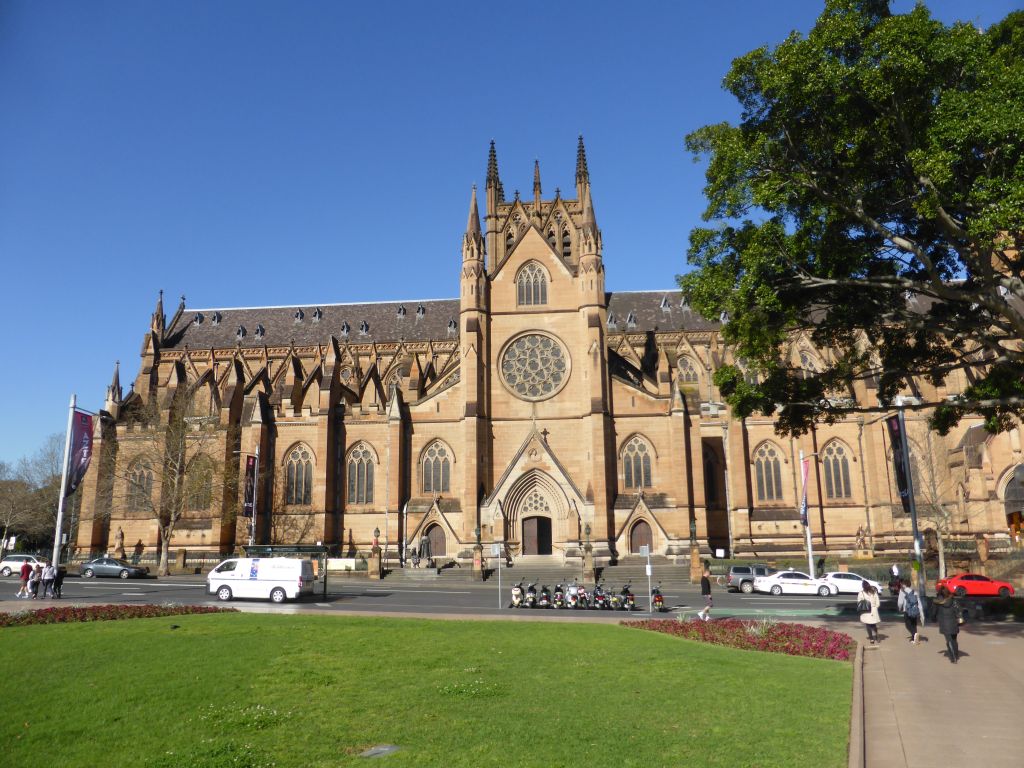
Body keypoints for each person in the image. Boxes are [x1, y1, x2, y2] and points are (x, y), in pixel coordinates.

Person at [929, 585, 963, 664]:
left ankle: (953, 657)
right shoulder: (953, 599)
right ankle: (956, 654)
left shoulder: (937, 601)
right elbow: (959, 609)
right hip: (954, 622)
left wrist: (933, 618)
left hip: (944, 622)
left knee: (949, 640)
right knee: (954, 639)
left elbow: (933, 611)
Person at [857, 580, 882, 645]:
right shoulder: (861, 593)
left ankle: (876, 635)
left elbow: (877, 601)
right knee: (868, 625)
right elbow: (859, 602)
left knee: (873, 625)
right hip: (866, 611)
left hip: (872, 610)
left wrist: (875, 607)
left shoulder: (873, 592)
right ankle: (871, 638)